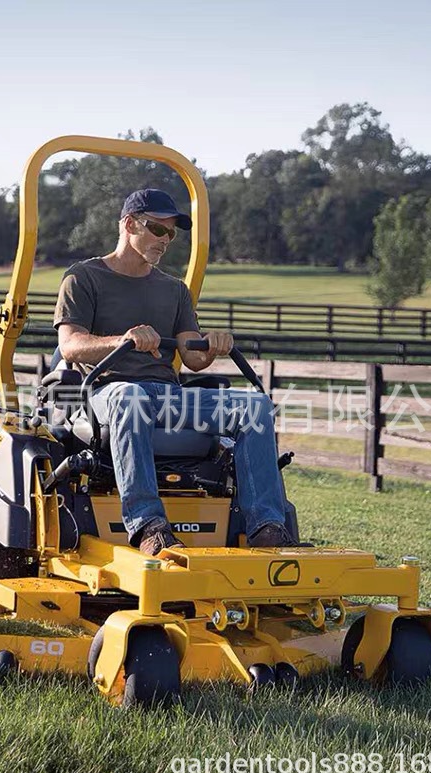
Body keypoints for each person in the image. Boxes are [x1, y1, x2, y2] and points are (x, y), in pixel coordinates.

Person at [53, 188, 298, 556]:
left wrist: (212, 343)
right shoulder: (83, 278)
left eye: (171, 233)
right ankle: (148, 525)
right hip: (105, 392)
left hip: (165, 394)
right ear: (129, 224)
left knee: (255, 407)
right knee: (129, 397)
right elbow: (71, 345)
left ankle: (266, 527)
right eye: (156, 229)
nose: (165, 240)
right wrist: (125, 339)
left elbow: (193, 357)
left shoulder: (174, 290)